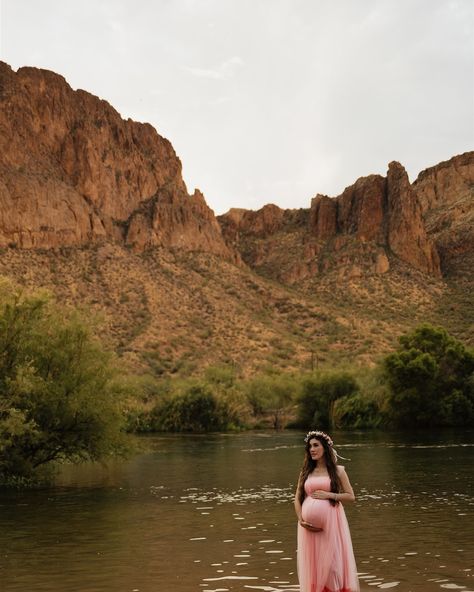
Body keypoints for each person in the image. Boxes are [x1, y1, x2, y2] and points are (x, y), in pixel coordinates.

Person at [294, 430, 359, 592]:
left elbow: (351, 497)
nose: (312, 449)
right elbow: (297, 499)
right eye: (309, 446)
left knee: (333, 566)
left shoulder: (338, 471)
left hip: (332, 527)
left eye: (316, 445)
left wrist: (329, 495)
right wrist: (302, 520)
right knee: (314, 566)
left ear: (325, 448)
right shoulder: (306, 472)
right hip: (308, 529)